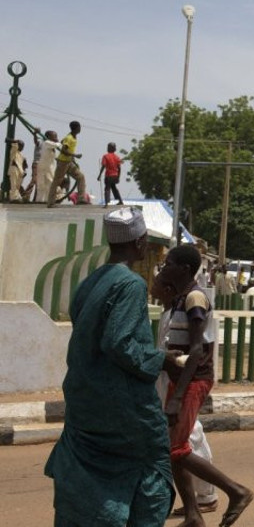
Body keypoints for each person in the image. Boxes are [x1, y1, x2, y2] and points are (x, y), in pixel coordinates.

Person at [44, 206, 177, 526]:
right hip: (124, 412)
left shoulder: (88, 283)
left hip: (86, 406)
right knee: (151, 479)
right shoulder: (130, 285)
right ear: (141, 243)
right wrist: (163, 360)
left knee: (86, 483)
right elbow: (120, 344)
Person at [155, 245, 253, 526]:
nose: (164, 267)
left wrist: (178, 397)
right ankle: (193, 514)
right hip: (180, 379)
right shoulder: (180, 299)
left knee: (176, 448)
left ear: (184, 269)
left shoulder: (195, 297)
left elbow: (197, 350)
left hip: (193, 380)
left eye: (169, 263)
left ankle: (236, 491)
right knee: (174, 448)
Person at [46, 120, 89, 206]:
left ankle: (81, 199)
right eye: (79, 127)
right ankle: (50, 202)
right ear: (76, 128)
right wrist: (75, 155)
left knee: (80, 177)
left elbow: (62, 142)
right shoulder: (69, 138)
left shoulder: (71, 137)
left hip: (69, 162)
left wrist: (72, 157)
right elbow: (63, 150)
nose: (80, 129)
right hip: (63, 162)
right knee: (57, 181)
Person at [33, 129, 59, 203]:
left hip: (48, 167)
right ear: (48, 137)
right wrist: (59, 142)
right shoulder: (47, 143)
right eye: (54, 136)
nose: (56, 138)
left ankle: (45, 199)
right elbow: (57, 144)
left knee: (48, 184)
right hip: (44, 166)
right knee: (42, 184)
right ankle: (40, 200)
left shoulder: (51, 146)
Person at [97, 142, 125, 206]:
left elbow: (103, 166)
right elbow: (119, 168)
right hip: (115, 176)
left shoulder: (105, 156)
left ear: (110, 148)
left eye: (108, 147)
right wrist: (118, 177)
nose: (107, 148)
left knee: (107, 188)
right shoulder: (117, 157)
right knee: (114, 188)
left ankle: (106, 203)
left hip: (109, 176)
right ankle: (120, 201)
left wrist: (99, 175)